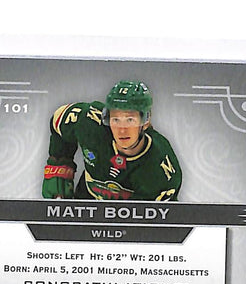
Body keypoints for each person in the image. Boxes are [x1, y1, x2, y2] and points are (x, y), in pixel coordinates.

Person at [42, 80, 182, 201]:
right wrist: (60, 164)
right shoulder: (89, 124)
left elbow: (163, 219)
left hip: (131, 220)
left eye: (130, 120)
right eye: (116, 119)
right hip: (86, 201)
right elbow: (58, 120)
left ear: (146, 121)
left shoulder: (161, 169)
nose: (122, 130)